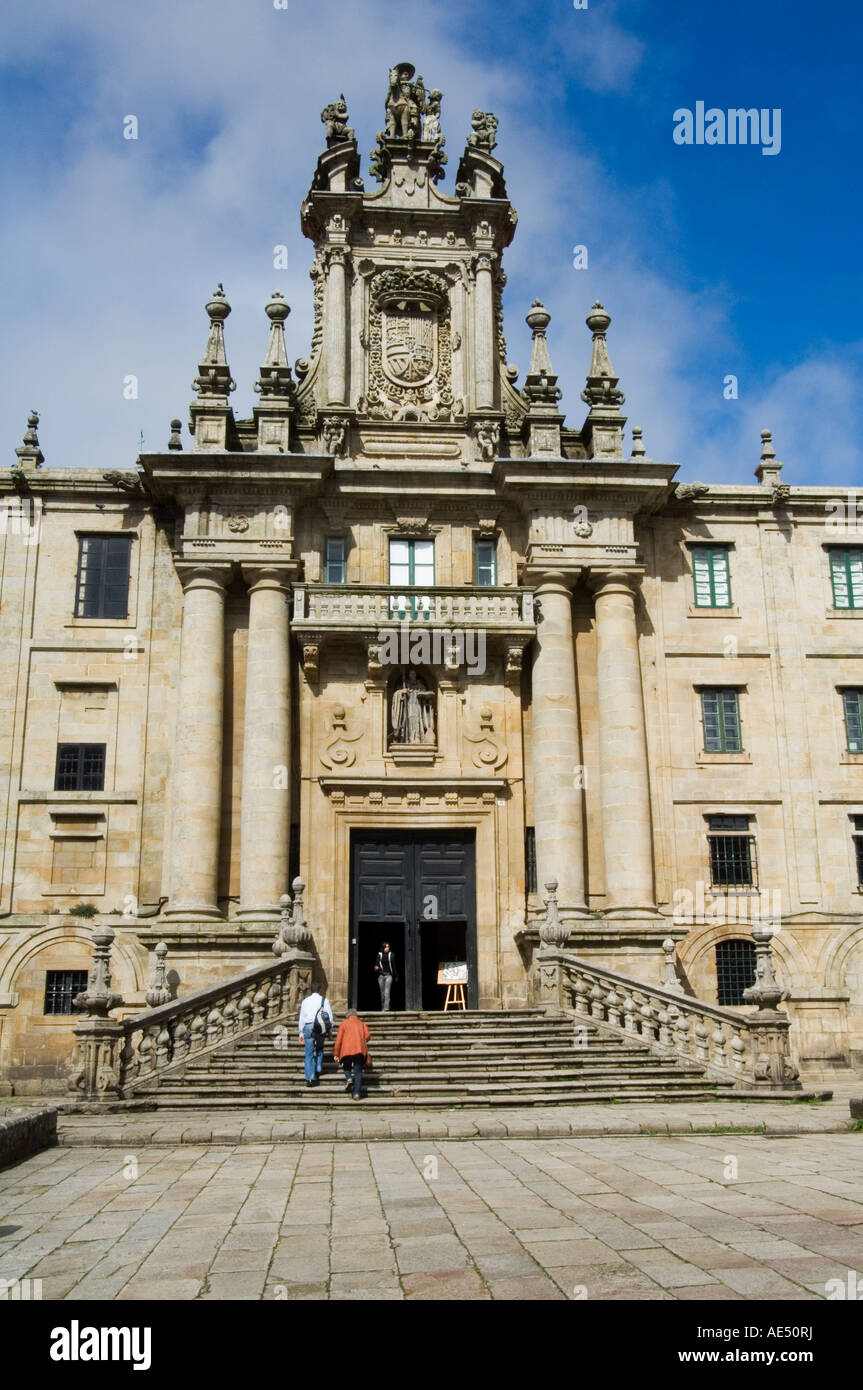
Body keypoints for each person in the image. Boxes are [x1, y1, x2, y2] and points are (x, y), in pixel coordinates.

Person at [297, 982, 333, 1087]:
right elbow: (329, 1017)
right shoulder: (324, 1000)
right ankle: (318, 1068)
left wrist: (300, 1033)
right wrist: (330, 1030)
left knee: (308, 1054)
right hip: (320, 1027)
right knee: (319, 1049)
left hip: (308, 1027)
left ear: (310, 990)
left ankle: (310, 1078)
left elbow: (302, 1018)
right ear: (320, 990)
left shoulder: (305, 1001)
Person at [333, 1008, 371, 1101]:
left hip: (346, 1050)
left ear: (347, 1016)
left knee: (346, 1066)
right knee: (358, 1072)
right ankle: (357, 1094)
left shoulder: (343, 1024)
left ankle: (349, 1079)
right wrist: (361, 1040)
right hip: (359, 1050)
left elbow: (338, 1041)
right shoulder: (362, 1024)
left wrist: (336, 1053)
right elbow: (368, 1036)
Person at [374, 942, 397, 1011]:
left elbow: (394, 966)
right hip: (381, 976)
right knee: (382, 993)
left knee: (387, 992)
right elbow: (376, 965)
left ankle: (386, 1007)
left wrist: (396, 975)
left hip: (388, 975)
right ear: (383, 947)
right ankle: (383, 1007)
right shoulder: (379, 955)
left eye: (388, 947)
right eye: (385, 947)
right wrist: (376, 967)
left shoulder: (391, 955)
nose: (387, 948)